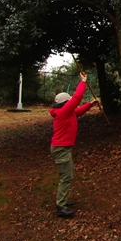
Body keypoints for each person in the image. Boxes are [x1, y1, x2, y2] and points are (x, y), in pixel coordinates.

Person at [49, 72, 98, 218]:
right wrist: (83, 82)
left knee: (67, 175)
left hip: (62, 148)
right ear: (65, 103)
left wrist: (91, 104)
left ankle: (62, 200)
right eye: (69, 101)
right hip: (60, 149)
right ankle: (60, 206)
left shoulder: (67, 112)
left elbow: (79, 111)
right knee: (67, 177)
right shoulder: (63, 112)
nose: (71, 102)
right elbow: (77, 99)